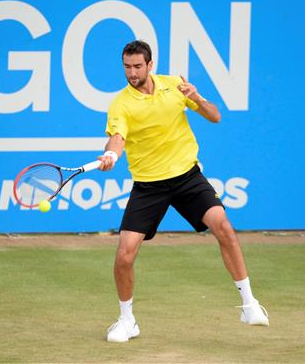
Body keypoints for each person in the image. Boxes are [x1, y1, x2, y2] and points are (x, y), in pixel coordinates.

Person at [97, 40, 269, 343]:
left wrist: (197, 97)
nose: (132, 72)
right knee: (125, 255)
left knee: (223, 227)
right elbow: (117, 138)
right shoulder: (120, 103)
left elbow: (215, 116)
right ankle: (127, 321)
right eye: (127, 66)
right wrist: (111, 155)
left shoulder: (175, 85)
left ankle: (249, 304)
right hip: (149, 185)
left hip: (187, 176)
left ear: (151, 65)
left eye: (137, 66)